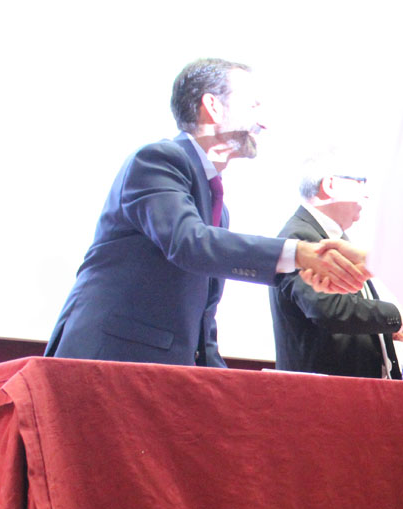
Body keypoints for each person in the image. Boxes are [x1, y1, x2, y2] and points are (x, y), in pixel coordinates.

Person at [45, 58, 366, 367]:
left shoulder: (216, 207)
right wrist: (300, 254)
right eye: (252, 106)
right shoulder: (158, 159)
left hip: (158, 370)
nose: (263, 122)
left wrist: (219, 380)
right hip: (103, 361)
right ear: (213, 106)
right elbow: (190, 243)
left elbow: (203, 314)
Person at [270, 163, 403, 378]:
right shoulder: (300, 238)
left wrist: (380, 332)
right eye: (360, 183)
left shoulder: (331, 238)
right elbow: (329, 309)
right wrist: (397, 316)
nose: (366, 195)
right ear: (330, 185)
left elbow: (342, 316)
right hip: (321, 392)